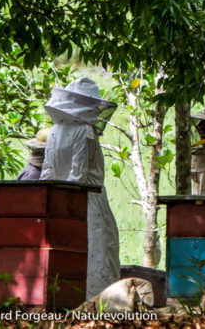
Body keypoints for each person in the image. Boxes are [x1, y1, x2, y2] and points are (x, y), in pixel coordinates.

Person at [39, 77, 120, 298]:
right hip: (88, 203)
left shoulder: (55, 130)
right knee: (98, 253)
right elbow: (79, 175)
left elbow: (47, 173)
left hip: (58, 203)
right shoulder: (84, 131)